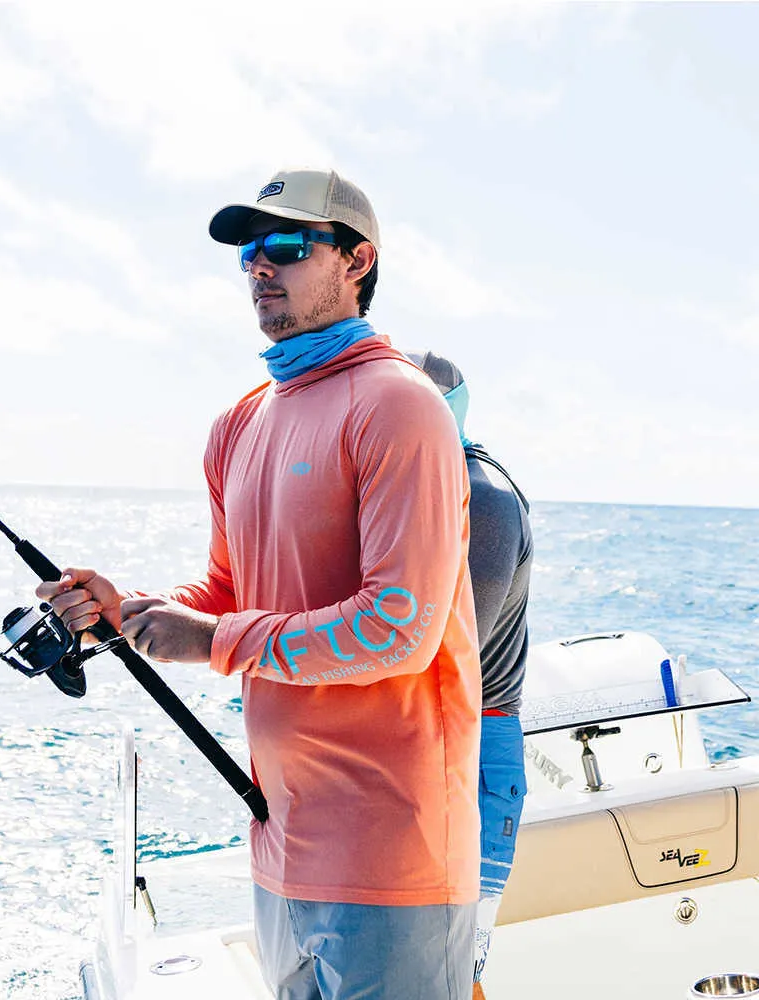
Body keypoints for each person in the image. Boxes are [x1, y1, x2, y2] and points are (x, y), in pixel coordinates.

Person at [38, 169, 482, 1000]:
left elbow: (398, 627)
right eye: (248, 251)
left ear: (357, 261)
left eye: (286, 245)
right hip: (280, 836)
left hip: (395, 849)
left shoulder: (398, 405)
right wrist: (124, 614)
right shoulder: (240, 423)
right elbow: (224, 590)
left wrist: (210, 642)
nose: (259, 267)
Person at [407, 351, 532, 999]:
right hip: (433, 749)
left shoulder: (482, 500)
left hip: (474, 757)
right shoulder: (428, 486)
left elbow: (444, 657)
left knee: (454, 974)